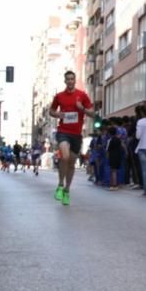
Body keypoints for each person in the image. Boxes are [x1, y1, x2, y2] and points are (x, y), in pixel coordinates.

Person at [48, 70, 96, 206]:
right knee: (64, 157)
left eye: (72, 79)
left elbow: (93, 114)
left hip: (76, 134)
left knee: (71, 164)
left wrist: (82, 109)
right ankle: (60, 185)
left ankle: (67, 191)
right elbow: (51, 111)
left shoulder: (82, 95)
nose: (70, 81)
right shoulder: (59, 96)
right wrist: (58, 115)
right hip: (63, 131)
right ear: (65, 81)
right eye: (67, 79)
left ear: (75, 80)